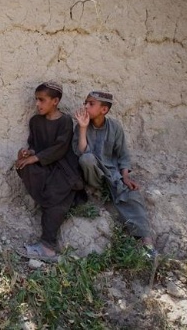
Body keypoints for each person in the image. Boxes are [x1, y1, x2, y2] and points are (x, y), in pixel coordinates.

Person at [73, 91, 156, 257]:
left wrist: (125, 176)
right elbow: (80, 152)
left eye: (91, 104)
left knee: (132, 196)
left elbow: (123, 155)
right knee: (87, 159)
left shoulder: (115, 127)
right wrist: (82, 128)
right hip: (93, 175)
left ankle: (146, 242)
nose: (86, 106)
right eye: (86, 103)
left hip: (112, 174)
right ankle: (96, 191)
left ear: (104, 110)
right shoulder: (81, 126)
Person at [15, 81, 86, 262]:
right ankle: (44, 197)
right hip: (45, 166)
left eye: (42, 100)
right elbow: (35, 145)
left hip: (63, 168)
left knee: (57, 196)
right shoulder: (35, 121)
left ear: (55, 101)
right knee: (23, 165)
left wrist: (35, 157)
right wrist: (28, 153)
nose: (37, 104)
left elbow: (60, 148)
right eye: (36, 100)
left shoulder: (65, 122)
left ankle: (47, 247)